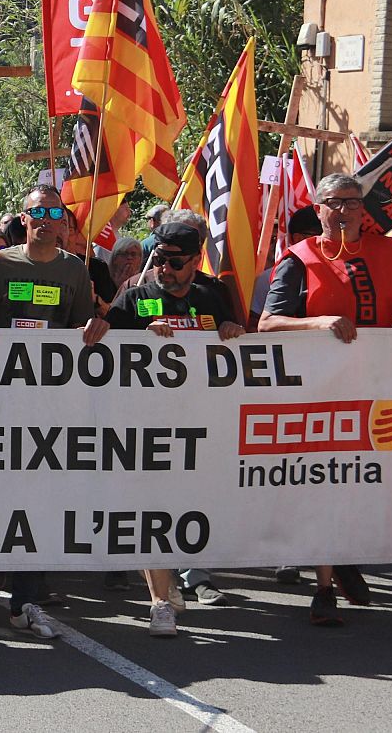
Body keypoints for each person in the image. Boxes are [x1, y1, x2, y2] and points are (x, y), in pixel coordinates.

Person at [259, 173, 392, 626]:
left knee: (362, 481)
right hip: (318, 395)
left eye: (354, 202)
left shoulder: (389, 252)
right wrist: (318, 322)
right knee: (325, 482)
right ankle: (324, 587)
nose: (347, 210)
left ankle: (344, 558)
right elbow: (268, 323)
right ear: (319, 207)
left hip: (379, 390)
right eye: (337, 202)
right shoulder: (299, 258)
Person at [0, 184, 107, 638]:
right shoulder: (0, 265)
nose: (45, 218)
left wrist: (97, 326)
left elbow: (81, 330)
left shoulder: (75, 271)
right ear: (23, 220)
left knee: (38, 500)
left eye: (54, 211)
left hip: (49, 405)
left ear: (64, 221)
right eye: (36, 211)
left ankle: (24, 600)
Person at [104, 220, 246, 631]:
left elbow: (237, 343)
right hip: (145, 424)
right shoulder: (136, 296)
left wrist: (232, 330)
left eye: (175, 262)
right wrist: (136, 336)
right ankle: (159, 600)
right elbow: (100, 344)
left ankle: (186, 575)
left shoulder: (213, 294)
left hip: (200, 424)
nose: (164, 269)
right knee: (152, 510)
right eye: (160, 260)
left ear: (195, 260)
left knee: (186, 508)